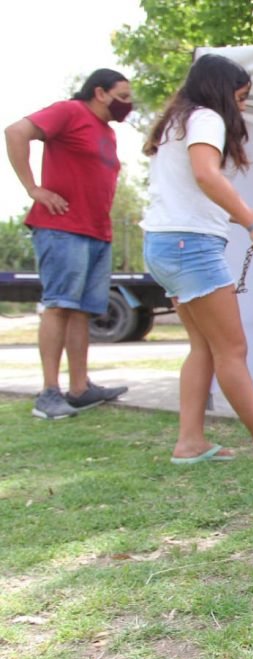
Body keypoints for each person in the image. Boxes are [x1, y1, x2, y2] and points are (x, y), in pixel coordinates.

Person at [140, 54, 253, 465]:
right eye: (241, 97)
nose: (242, 106)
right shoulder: (207, 118)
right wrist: (252, 226)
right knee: (232, 349)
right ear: (221, 91)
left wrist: (244, 214)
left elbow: (194, 186)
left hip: (166, 243)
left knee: (203, 347)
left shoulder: (178, 120)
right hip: (190, 246)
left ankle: (191, 442)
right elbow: (206, 174)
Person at [5, 69, 133, 420]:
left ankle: (79, 389)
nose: (129, 103)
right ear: (100, 92)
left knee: (82, 310)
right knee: (59, 305)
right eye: (122, 96)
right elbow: (15, 131)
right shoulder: (70, 111)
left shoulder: (107, 132)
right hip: (62, 228)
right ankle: (48, 393)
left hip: (97, 232)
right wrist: (34, 189)